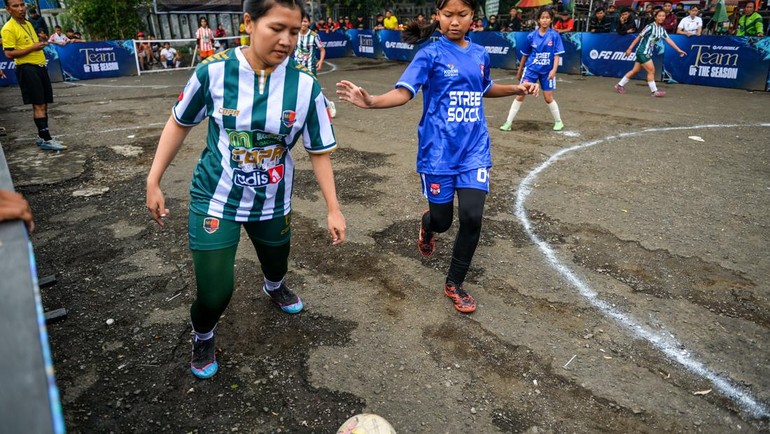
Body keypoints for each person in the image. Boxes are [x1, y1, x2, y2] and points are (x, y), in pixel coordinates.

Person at [146, 0, 346, 379]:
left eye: (294, 31)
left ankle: (274, 286)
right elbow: (179, 123)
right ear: (249, 23)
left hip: (272, 201)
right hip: (215, 198)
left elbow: (319, 152)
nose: (286, 40)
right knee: (215, 293)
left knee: (277, 264)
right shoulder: (213, 72)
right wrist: (153, 179)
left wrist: (333, 208)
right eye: (277, 28)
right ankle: (203, 334)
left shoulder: (305, 87)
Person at [336, 0, 538, 314]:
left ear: (473, 18)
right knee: (443, 222)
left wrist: (515, 88)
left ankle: (454, 283)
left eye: (462, 15)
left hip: (474, 149)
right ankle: (428, 224)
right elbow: (404, 92)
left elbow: (483, 87)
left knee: (472, 217)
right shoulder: (429, 54)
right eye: (448, 15)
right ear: (438, 17)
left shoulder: (480, 54)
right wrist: (372, 101)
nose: (454, 21)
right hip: (438, 153)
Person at [2, 0, 66, 151]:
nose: (21, 8)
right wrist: (33, 47)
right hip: (27, 69)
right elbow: (9, 53)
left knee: (44, 104)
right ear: (8, 9)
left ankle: (42, 136)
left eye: (22, 5)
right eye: (15, 6)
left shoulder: (28, 24)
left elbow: (31, 44)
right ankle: (47, 139)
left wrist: (40, 44)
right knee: (38, 105)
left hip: (40, 66)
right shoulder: (8, 28)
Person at [500, 7, 564, 132]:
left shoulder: (555, 36)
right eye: (542, 18)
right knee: (520, 94)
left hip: (547, 71)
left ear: (551, 20)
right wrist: (520, 70)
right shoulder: (531, 36)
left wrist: (554, 70)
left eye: (547, 18)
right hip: (531, 70)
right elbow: (525, 55)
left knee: (548, 98)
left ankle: (558, 121)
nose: (544, 20)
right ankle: (508, 122)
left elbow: (557, 55)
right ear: (538, 20)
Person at [614, 8, 686, 97]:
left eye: (663, 16)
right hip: (642, 52)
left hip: (647, 53)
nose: (661, 18)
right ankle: (654, 91)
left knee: (635, 70)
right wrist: (629, 48)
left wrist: (678, 50)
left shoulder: (662, 30)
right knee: (651, 70)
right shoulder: (650, 27)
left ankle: (619, 85)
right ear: (655, 17)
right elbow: (639, 37)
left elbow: (669, 40)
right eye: (659, 16)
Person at [295, 13, 336, 117]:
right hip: (297, 66)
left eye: (305, 21)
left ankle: (328, 104)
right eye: (301, 21)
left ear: (309, 23)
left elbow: (322, 50)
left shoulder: (314, 36)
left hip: (310, 67)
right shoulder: (295, 34)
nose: (303, 24)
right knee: (298, 87)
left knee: (314, 88)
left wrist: (320, 61)